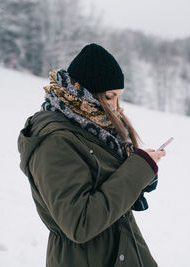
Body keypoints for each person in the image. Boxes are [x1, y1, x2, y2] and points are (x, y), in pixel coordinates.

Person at [18, 43, 166, 267]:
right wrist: (137, 170)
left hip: (119, 251)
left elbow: (103, 186)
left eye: (118, 97)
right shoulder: (56, 142)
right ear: (87, 95)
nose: (116, 107)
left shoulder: (91, 128)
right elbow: (80, 222)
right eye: (109, 97)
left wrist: (143, 174)